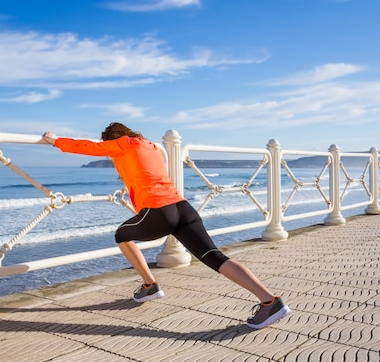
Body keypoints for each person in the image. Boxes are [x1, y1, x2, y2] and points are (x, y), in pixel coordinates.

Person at [42, 123, 290, 329]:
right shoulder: (151, 147)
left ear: (113, 138)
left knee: (121, 235)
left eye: (108, 144)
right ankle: (270, 301)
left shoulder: (124, 144)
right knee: (216, 257)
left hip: (158, 211)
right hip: (183, 208)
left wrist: (55, 141)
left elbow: (88, 148)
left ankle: (150, 285)